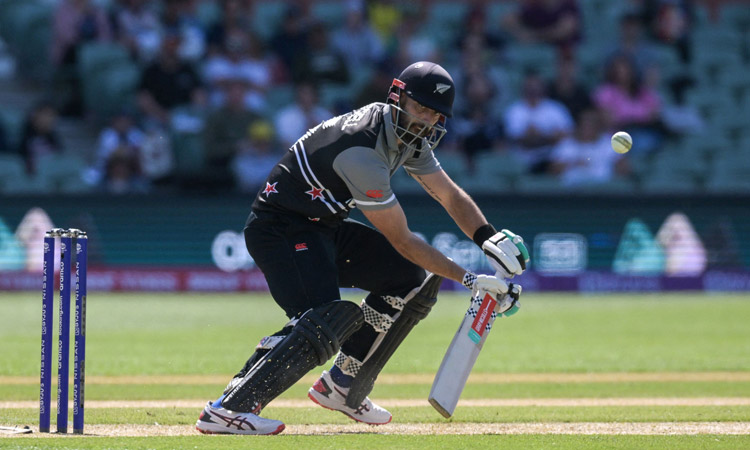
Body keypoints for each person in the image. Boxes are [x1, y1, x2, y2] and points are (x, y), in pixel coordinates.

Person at [194, 61, 529, 435]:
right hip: (281, 230)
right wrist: (471, 279)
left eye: (435, 114)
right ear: (397, 97)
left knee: (410, 279)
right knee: (327, 319)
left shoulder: (406, 135)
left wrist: (488, 237)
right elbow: (401, 239)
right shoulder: (362, 151)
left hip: (324, 225)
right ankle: (228, 408)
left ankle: (344, 385)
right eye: (420, 107)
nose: (425, 120)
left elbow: (448, 194)